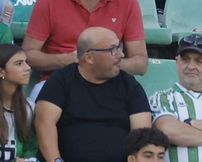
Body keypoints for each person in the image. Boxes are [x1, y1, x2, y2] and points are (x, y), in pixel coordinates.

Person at [33, 26, 151, 162]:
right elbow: (44, 123)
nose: (121, 55)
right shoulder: (61, 80)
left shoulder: (129, 85)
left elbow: (142, 135)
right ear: (89, 57)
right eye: (113, 50)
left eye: (119, 47)